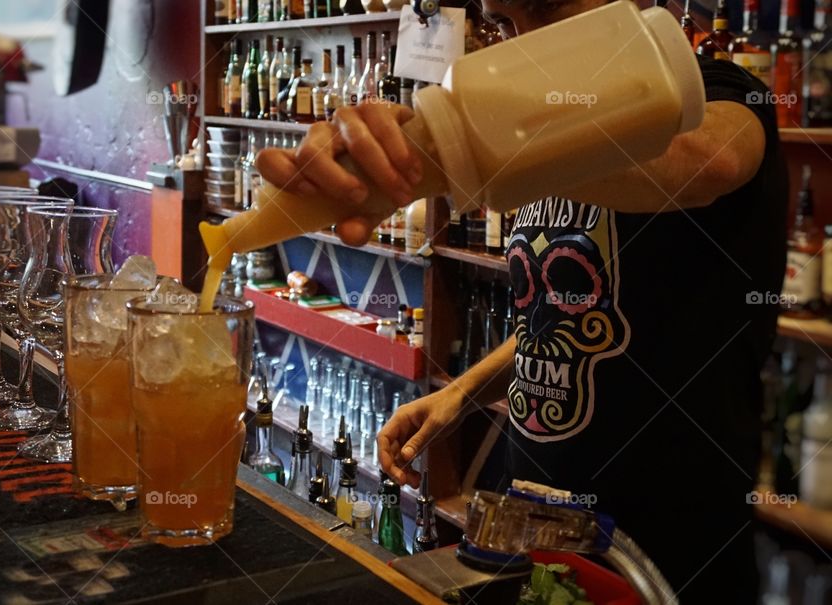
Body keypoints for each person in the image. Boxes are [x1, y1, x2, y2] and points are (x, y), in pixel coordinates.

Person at [256, 0, 786, 601]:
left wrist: (456, 156)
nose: (527, 44)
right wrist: (460, 391)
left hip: (662, 551)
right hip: (528, 521)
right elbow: (558, 313)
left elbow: (706, 160)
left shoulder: (721, 92)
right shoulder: (536, 140)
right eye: (506, 24)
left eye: (550, 9)